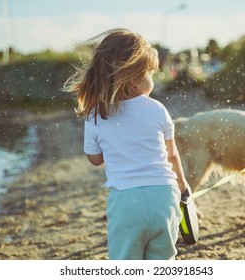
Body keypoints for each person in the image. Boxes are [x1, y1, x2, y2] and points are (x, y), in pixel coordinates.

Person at [64, 28, 190, 260]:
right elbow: (171, 155)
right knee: (163, 260)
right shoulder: (157, 109)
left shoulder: (96, 114)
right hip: (165, 195)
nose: (152, 80)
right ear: (133, 78)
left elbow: (94, 159)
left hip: (126, 202)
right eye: (150, 74)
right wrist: (183, 186)